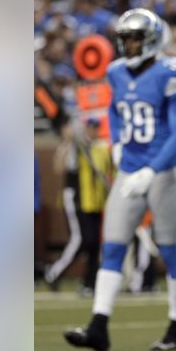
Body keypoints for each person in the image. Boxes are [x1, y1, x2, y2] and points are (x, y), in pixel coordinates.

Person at [63, 9, 176, 351]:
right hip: (129, 170)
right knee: (113, 245)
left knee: (168, 249)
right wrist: (118, 143)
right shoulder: (115, 71)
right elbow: (115, 110)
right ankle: (98, 326)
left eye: (134, 38)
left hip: (163, 172)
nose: (129, 45)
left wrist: (152, 170)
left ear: (150, 39)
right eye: (125, 39)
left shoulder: (174, 71)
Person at [43, 118, 109, 295]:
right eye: (90, 127)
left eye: (96, 128)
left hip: (96, 201)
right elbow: (59, 167)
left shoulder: (100, 148)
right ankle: (54, 272)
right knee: (82, 239)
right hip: (78, 200)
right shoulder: (75, 147)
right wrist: (67, 141)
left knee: (95, 243)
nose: (93, 131)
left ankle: (90, 282)